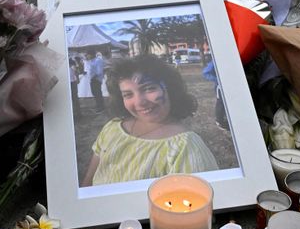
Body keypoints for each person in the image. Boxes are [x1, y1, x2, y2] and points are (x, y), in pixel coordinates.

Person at [81, 55, 219, 186]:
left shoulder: (186, 147)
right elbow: (89, 180)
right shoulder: (112, 127)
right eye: (128, 94)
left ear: (170, 89)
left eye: (149, 88)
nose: (140, 102)